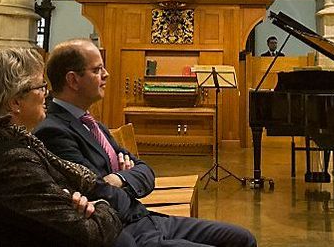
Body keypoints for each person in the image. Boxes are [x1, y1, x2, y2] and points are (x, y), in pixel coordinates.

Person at [37, 39, 256, 247]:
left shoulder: (91, 122)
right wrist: (125, 183)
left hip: (147, 218)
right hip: (123, 230)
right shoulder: (54, 131)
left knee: (242, 239)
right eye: (96, 70)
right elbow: (99, 193)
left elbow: (146, 171)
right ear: (73, 80)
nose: (106, 74)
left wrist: (119, 178)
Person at [0, 47, 125, 247]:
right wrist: (102, 205)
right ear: (15, 102)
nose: (47, 94)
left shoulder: (12, 146)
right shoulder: (11, 163)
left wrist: (82, 203)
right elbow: (92, 235)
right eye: (41, 87)